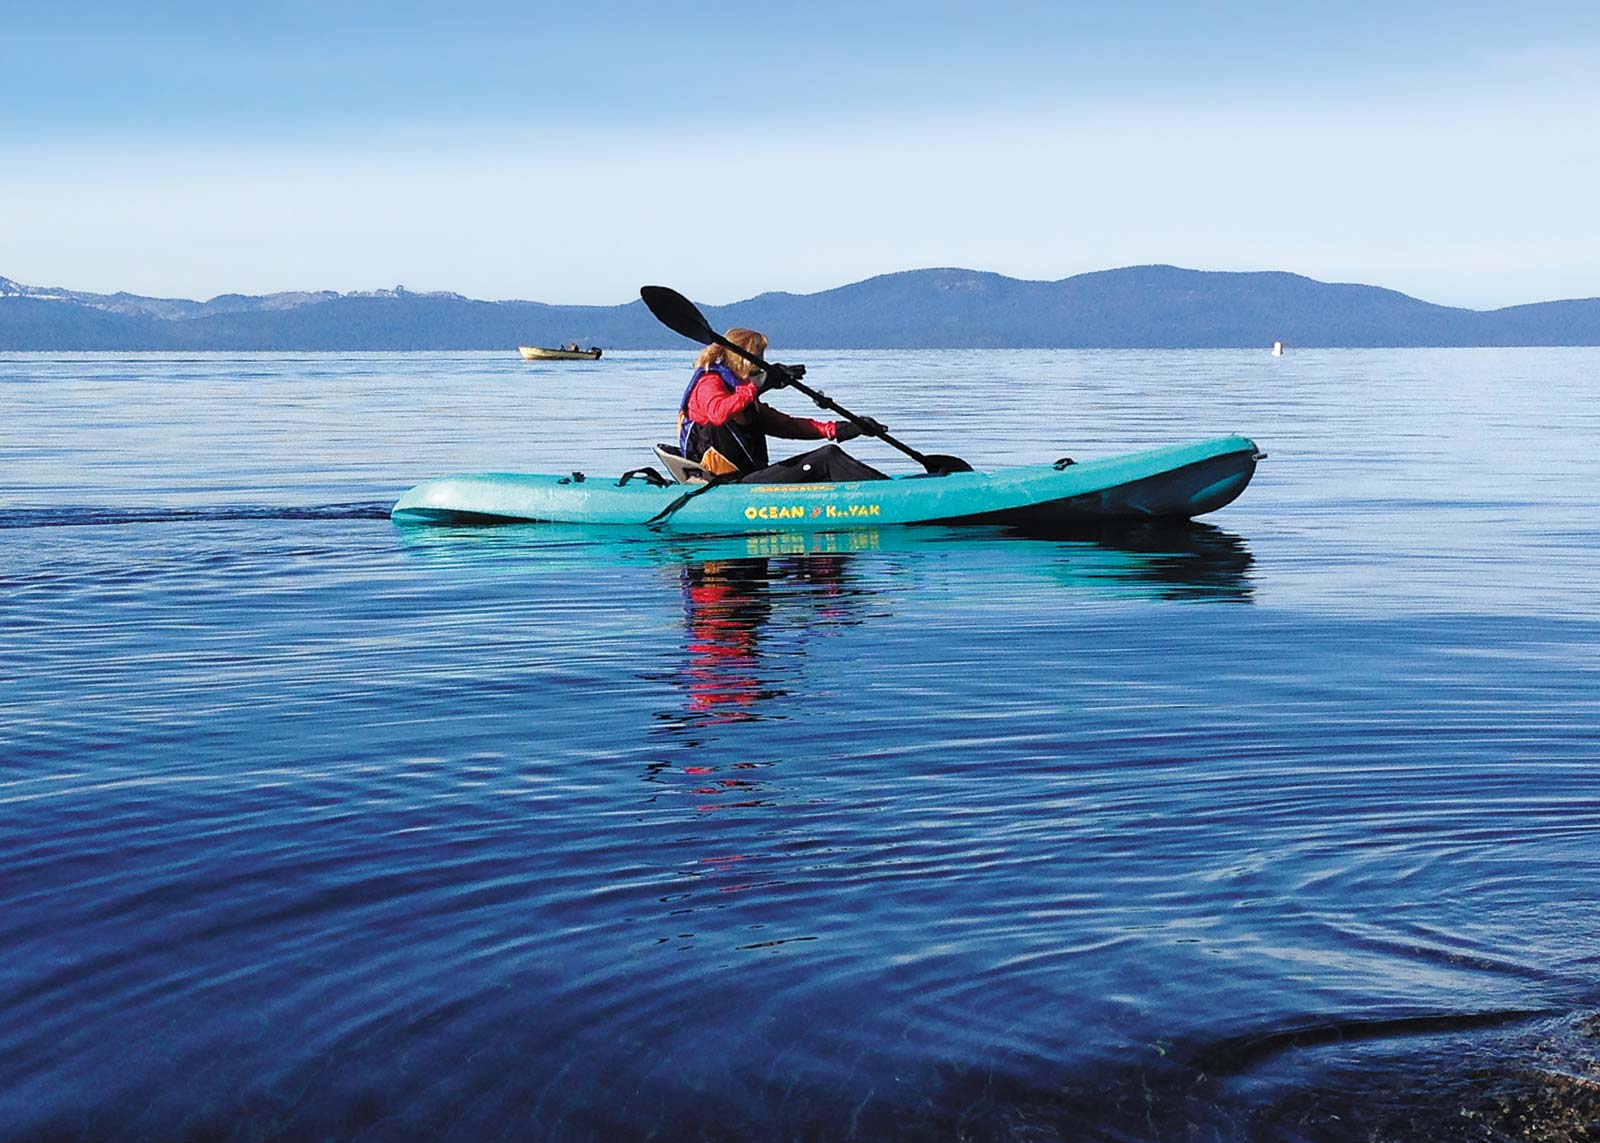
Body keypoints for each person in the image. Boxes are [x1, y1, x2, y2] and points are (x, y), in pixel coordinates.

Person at [677, 327, 888, 483]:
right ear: (740, 359)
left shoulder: (743, 395)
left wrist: (842, 428)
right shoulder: (709, 382)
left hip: (749, 480)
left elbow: (787, 426)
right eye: (758, 357)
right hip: (724, 485)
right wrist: (757, 386)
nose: (762, 362)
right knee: (827, 457)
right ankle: (887, 495)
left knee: (828, 455)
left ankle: (885, 487)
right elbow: (718, 414)